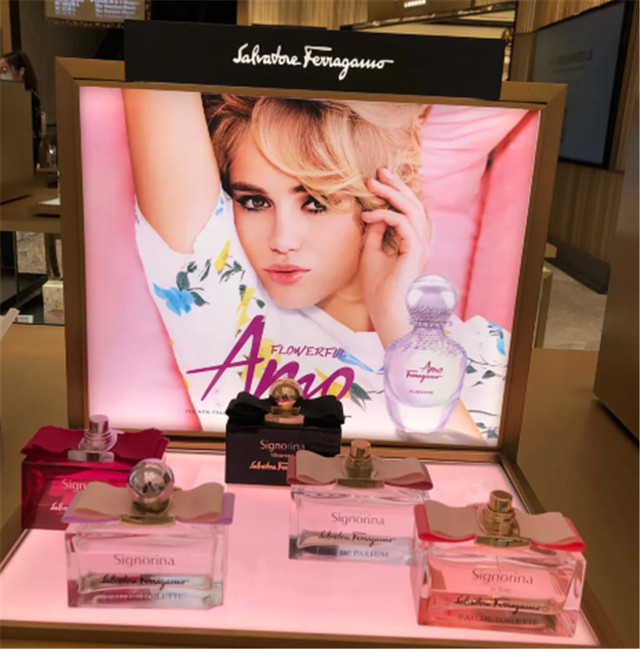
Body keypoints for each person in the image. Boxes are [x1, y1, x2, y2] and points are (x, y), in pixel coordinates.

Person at [123, 89, 488, 443]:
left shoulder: (480, 354)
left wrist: (400, 329)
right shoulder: (216, 286)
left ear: (380, 206)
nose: (282, 239)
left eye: (315, 202)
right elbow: (157, 76)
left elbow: (470, 482)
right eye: (254, 202)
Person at [0, 51, 42, 168]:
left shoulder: (29, 98)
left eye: (4, 70)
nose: (1, 75)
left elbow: (33, 137)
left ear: (21, 71)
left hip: (21, 162)